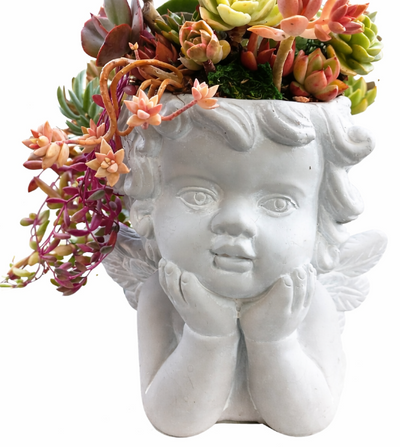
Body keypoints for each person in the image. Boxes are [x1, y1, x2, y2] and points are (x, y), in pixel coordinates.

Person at [103, 94, 386, 437]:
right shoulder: (164, 296)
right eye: (198, 195)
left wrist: (275, 340)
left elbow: (308, 420)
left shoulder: (306, 301)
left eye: (278, 203)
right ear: (148, 207)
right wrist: (207, 336)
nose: (236, 221)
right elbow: (173, 420)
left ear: (319, 222)